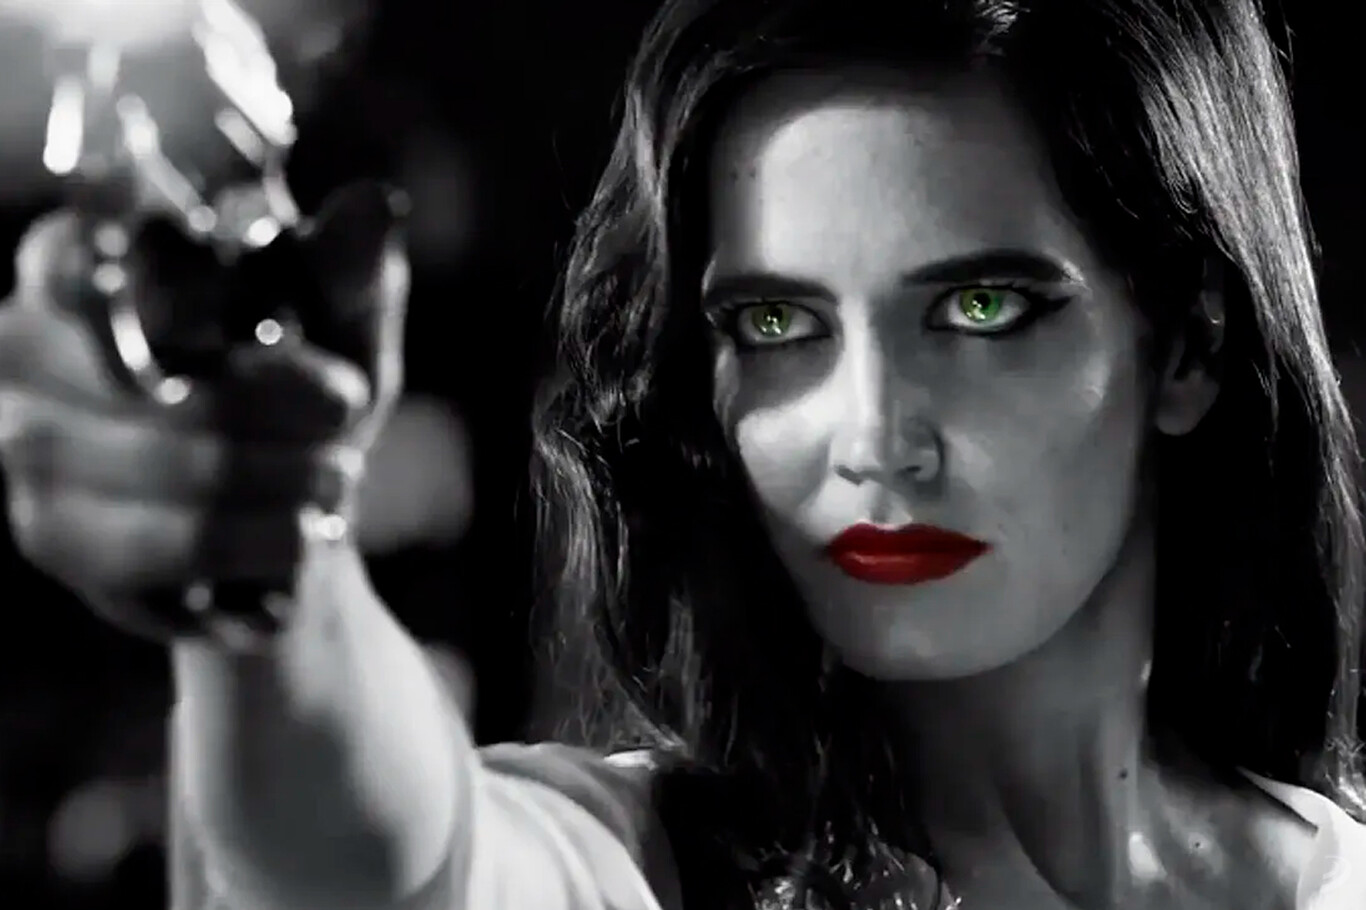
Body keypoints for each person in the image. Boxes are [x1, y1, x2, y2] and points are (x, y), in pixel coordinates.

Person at [2, 0, 1365, 908]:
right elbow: (383, 866)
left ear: (1186, 346)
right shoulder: (641, 869)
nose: (872, 438)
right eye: (775, 325)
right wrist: (274, 577)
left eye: (980, 309)